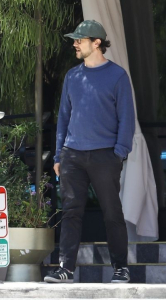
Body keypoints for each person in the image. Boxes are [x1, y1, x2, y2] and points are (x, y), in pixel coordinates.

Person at [44, 20, 135, 283]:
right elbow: (63, 117)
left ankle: (120, 269)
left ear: (97, 43)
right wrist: (60, 155)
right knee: (70, 212)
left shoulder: (117, 76)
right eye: (75, 40)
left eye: (79, 40)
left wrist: (119, 153)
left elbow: (126, 119)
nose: (75, 44)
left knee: (112, 212)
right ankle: (65, 269)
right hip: (73, 155)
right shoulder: (72, 76)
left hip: (105, 156)